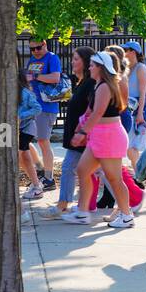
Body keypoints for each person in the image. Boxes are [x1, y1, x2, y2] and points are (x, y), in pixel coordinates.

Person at [64, 51, 134, 227]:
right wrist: (80, 127)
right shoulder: (98, 85)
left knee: (114, 178)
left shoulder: (104, 87)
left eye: (92, 65)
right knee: (82, 170)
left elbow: (98, 113)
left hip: (109, 136)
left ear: (101, 68)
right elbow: (89, 111)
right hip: (100, 135)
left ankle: (126, 215)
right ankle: (82, 212)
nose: (89, 67)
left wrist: (82, 133)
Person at [42, 47, 95, 220]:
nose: (72, 62)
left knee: (69, 168)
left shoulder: (90, 84)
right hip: (78, 136)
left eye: (76, 59)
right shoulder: (80, 82)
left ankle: (64, 205)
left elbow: (92, 110)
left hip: (83, 137)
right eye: (73, 58)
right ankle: (130, 203)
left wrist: (82, 132)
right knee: (106, 173)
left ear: (86, 62)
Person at [25, 38, 62, 190]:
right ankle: (41, 172)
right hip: (32, 106)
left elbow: (55, 77)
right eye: (32, 49)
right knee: (28, 142)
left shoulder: (52, 58)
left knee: (43, 141)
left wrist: (34, 76)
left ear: (45, 44)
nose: (35, 52)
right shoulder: (33, 60)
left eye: (38, 48)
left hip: (46, 107)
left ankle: (49, 178)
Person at [18, 70, 45, 206]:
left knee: (16, 157)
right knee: (26, 158)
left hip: (26, 129)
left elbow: (37, 108)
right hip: (15, 129)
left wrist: (20, 115)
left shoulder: (25, 93)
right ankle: (36, 185)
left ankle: (36, 186)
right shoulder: (10, 92)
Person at [124, 41, 146, 167]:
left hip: (136, 110)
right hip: (126, 109)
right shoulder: (127, 68)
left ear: (133, 52)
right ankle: (138, 173)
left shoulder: (141, 68)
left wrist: (140, 114)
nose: (123, 53)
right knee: (128, 146)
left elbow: (142, 92)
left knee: (131, 146)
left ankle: (138, 173)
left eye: (126, 50)